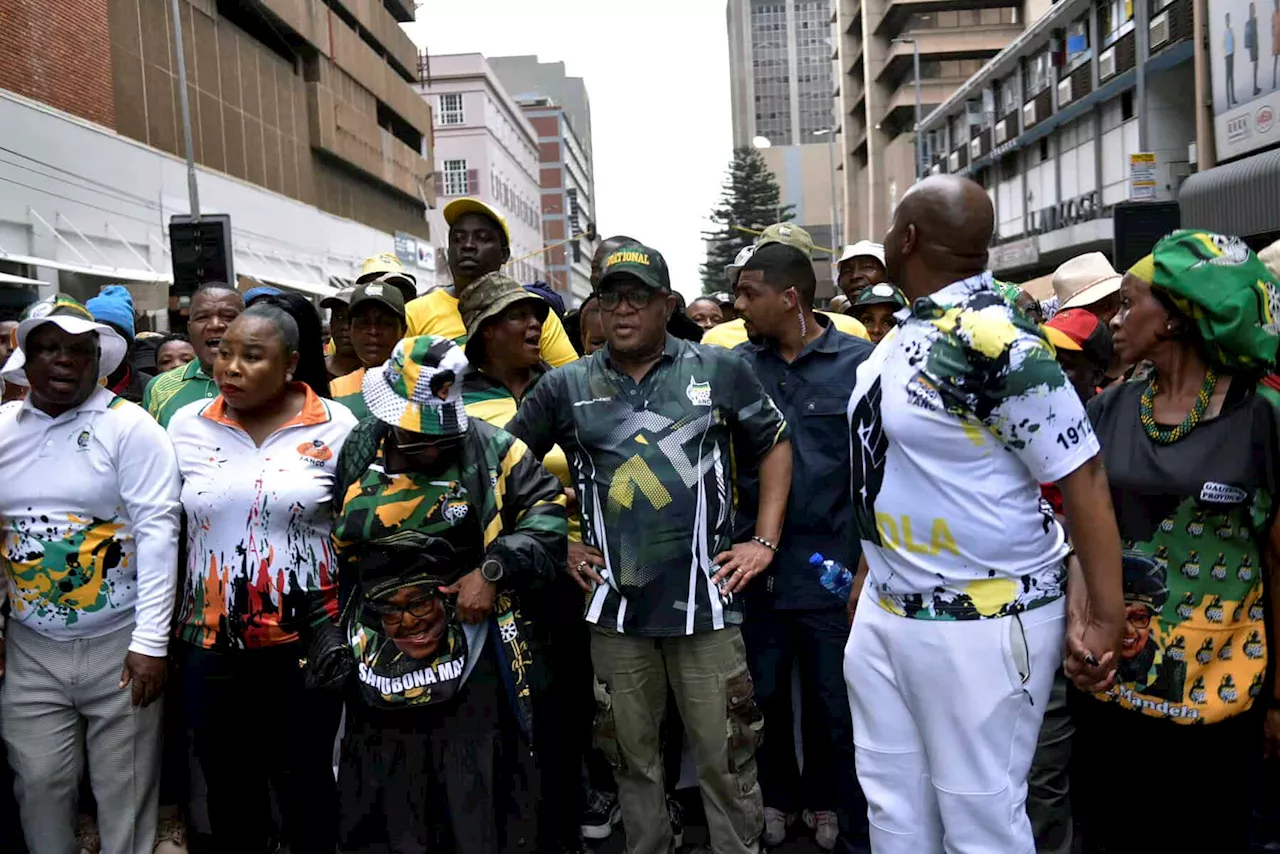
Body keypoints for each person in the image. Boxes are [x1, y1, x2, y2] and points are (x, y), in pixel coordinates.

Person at [842, 175, 1125, 854]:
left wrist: (1106, 619)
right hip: (891, 610)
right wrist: (866, 576)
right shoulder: (906, 333)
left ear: (905, 239)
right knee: (896, 817)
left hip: (981, 621)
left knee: (980, 824)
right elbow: (889, 466)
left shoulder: (998, 340)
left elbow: (1082, 477)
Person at [508, 240, 793, 854]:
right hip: (616, 615)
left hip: (707, 608)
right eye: (611, 298)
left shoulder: (716, 369)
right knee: (634, 766)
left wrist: (764, 540)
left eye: (638, 297)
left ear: (667, 305)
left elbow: (774, 442)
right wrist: (557, 544)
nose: (624, 310)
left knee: (726, 762)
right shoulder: (566, 386)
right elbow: (506, 464)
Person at [1071, 231, 1280, 853]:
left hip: (1223, 701)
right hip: (1114, 691)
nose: (1115, 318)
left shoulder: (1261, 416)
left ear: (1177, 318)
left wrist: (1279, 701)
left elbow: (1277, 559)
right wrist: (1079, 629)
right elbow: (1088, 533)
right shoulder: (1109, 408)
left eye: (1129, 303)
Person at [330, 335, 568, 853]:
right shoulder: (358, 445)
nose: (431, 449)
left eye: (437, 439)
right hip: (380, 647)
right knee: (392, 790)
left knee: (474, 788)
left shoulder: (495, 448)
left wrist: (493, 568)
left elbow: (547, 520)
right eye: (416, 439)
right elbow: (338, 534)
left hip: (474, 648)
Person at [167, 302, 353, 852]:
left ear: (291, 363)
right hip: (210, 644)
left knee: (308, 790)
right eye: (224, 353)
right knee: (230, 795)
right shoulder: (187, 425)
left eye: (252, 356)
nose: (232, 367)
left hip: (307, 646)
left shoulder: (337, 425)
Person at [0, 294, 181, 854]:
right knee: (40, 782)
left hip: (119, 645)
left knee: (123, 790)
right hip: (31, 646)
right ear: (25, 359)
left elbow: (158, 534)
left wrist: (151, 643)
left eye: (77, 350)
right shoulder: (3, 427)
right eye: (48, 348)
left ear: (96, 360)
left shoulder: (132, 428)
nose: (62, 360)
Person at [732, 241, 872, 853]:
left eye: (748, 294)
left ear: (790, 298)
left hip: (832, 567)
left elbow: (878, 469)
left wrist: (870, 561)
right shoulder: (736, 367)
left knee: (832, 702)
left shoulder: (858, 364)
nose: (739, 306)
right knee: (759, 695)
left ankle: (827, 799)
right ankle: (777, 799)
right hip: (752, 566)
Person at [406, 199, 577, 367]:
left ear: (504, 254)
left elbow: (569, 382)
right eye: (457, 238)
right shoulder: (414, 313)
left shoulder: (534, 310)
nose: (467, 246)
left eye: (482, 238)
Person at [704, 225, 869, 348]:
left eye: (791, 259)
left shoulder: (851, 331)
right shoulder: (720, 340)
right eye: (768, 257)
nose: (739, 304)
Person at [144, 283, 244, 427]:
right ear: (190, 329)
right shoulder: (158, 388)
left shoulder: (266, 384)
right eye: (203, 317)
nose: (215, 325)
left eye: (228, 316)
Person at [330, 281, 408, 420]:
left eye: (384, 323)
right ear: (351, 329)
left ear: (403, 330)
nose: (373, 331)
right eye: (364, 323)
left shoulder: (422, 385)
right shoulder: (336, 390)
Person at [86, 285, 149, 404]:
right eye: (94, 335)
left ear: (130, 346)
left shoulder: (150, 390)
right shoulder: (70, 388)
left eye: (110, 336)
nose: (100, 345)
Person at [323, 287, 362, 380]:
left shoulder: (375, 378)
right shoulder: (312, 370)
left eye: (352, 319)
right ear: (331, 323)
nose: (344, 327)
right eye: (339, 317)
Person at [1249, 2, 1262, 95]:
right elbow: (1250, 35)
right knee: (1255, 67)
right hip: (1253, 47)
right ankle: (1254, 87)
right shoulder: (1250, 21)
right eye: (1252, 8)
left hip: (1255, 46)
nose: (1253, 10)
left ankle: (1255, 86)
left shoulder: (1255, 20)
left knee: (1256, 67)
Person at [1227, 13, 1239, 107]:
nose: (1228, 21)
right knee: (1228, 78)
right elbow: (1222, 44)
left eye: (1229, 19)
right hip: (1227, 56)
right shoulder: (1225, 32)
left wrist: (1233, 50)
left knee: (1232, 77)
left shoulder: (1231, 30)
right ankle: (1228, 101)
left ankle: (1233, 98)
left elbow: (1233, 41)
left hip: (1231, 54)